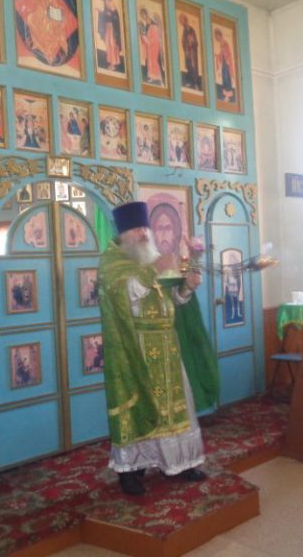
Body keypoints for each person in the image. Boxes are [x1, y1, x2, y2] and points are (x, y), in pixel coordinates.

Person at [97, 201, 206, 496]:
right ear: (124, 233)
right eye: (137, 229)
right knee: (141, 409)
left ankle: (181, 463)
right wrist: (153, 271)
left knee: (177, 408)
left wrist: (187, 287)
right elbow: (125, 293)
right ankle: (132, 472)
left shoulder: (152, 257)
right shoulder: (112, 263)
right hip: (137, 349)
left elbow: (171, 299)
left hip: (168, 346)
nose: (144, 234)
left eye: (145, 227)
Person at [95, 0, 123, 71]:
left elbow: (114, 14)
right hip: (107, 26)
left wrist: (107, 13)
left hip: (112, 27)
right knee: (108, 44)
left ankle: (114, 63)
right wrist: (101, 12)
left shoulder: (109, 1)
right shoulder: (103, 2)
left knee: (112, 43)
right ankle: (111, 62)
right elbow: (106, 13)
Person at [179, 13, 201, 90]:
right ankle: (191, 82)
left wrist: (191, 41)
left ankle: (195, 83)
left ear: (185, 20)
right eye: (180, 21)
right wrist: (185, 47)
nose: (181, 22)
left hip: (191, 52)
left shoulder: (189, 29)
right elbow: (184, 41)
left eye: (182, 20)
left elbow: (194, 41)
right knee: (189, 66)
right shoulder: (185, 29)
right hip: (187, 51)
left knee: (193, 66)